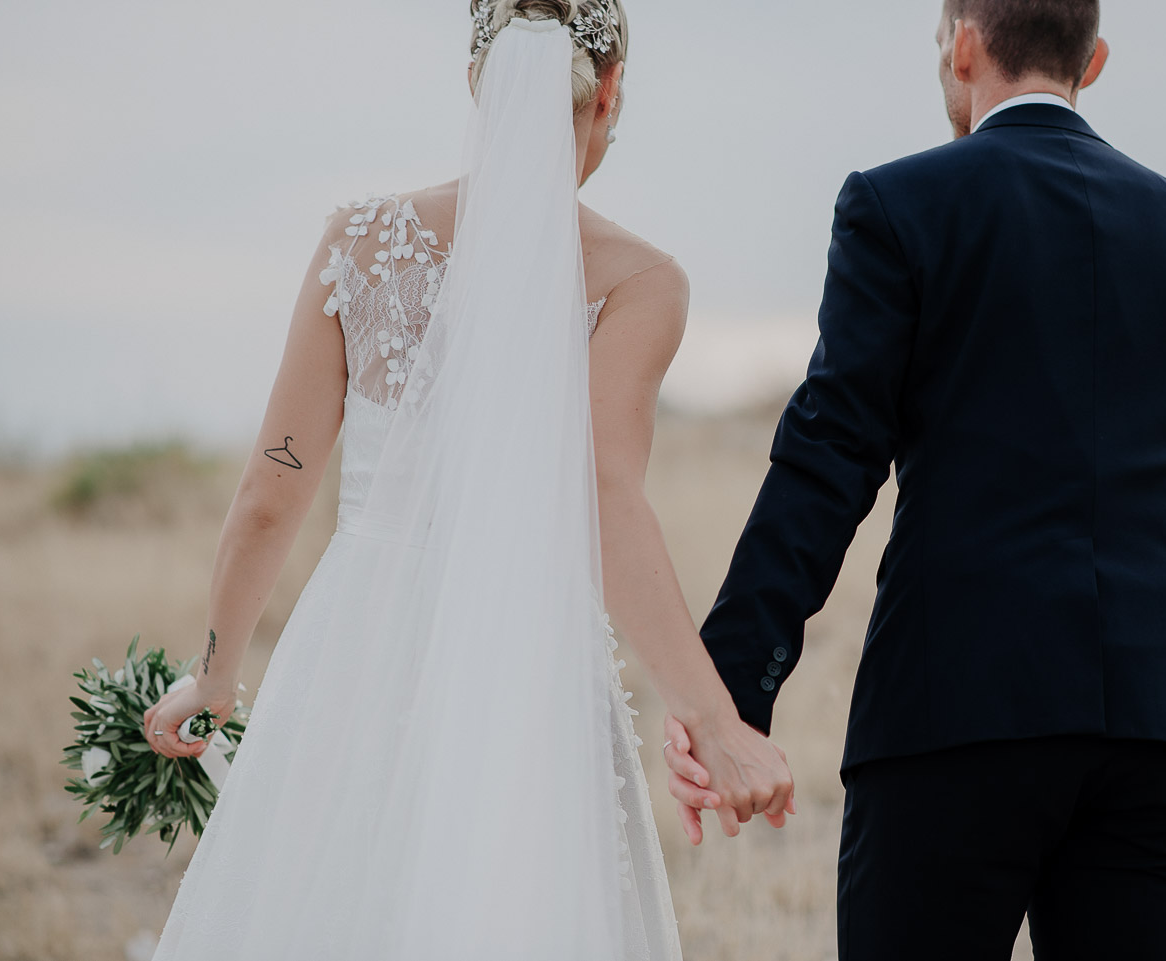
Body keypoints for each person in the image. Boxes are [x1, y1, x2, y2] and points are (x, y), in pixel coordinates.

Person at [665, 1, 1166, 958]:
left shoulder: (896, 207)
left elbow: (827, 462)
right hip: (1155, 737)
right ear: (1096, 61)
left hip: (950, 720)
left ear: (963, 44)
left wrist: (732, 693)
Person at [140, 2, 791, 958]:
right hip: (524, 664)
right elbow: (605, 498)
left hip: (352, 658)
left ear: (475, 85)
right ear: (609, 91)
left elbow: (269, 495)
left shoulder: (356, 243)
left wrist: (218, 670)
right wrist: (714, 718)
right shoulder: (638, 281)